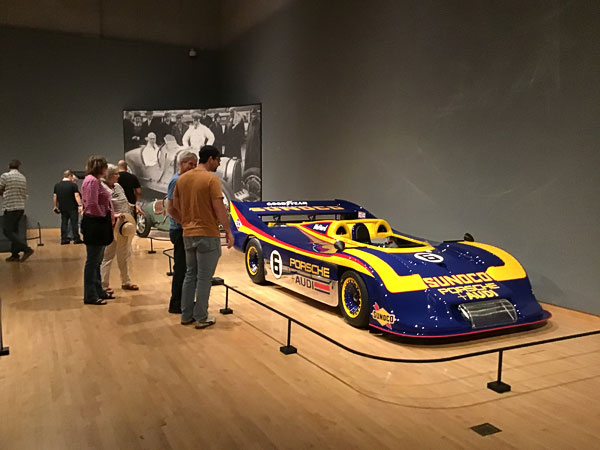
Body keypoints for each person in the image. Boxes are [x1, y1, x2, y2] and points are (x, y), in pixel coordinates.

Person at [170, 145, 233, 328]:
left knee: (190, 274)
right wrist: (228, 231)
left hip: (188, 234)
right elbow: (219, 208)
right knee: (204, 278)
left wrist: (186, 221)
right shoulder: (211, 179)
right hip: (207, 233)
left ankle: (186, 315)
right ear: (211, 159)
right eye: (218, 160)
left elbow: (174, 207)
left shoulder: (182, 179)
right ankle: (201, 317)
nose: (219, 164)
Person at [80, 155, 120, 305]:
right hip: (95, 224)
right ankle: (90, 295)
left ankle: (98, 291)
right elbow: (92, 204)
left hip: (98, 222)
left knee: (97, 261)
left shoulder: (94, 180)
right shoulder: (91, 181)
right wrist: (104, 216)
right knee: (93, 261)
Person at [166, 151, 198, 314]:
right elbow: (171, 208)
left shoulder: (186, 180)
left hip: (185, 228)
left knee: (187, 268)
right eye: (190, 164)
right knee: (181, 268)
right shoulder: (176, 181)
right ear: (182, 163)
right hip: (179, 230)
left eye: (195, 165)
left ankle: (185, 301)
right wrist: (185, 224)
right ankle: (176, 303)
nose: (193, 167)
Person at [100, 164, 139, 292]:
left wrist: (133, 206)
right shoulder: (102, 188)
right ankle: (104, 285)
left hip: (124, 225)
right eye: (115, 174)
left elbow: (124, 202)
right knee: (108, 255)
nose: (118, 176)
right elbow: (102, 208)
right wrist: (115, 215)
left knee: (124, 255)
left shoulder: (117, 186)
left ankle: (126, 282)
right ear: (109, 175)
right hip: (111, 226)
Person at [0, 159, 34, 262]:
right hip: (20, 207)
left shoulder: (5, 176)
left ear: (9, 166)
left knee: (7, 231)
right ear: (19, 167)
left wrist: (3, 193)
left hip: (10, 207)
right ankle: (15, 254)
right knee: (14, 231)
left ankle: (27, 249)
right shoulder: (22, 177)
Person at [53, 170, 83, 244]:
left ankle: (64, 239)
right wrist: (80, 205)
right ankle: (76, 239)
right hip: (72, 207)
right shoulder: (73, 185)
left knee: (64, 223)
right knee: (74, 223)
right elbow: (77, 196)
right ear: (70, 176)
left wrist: (55, 206)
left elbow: (55, 197)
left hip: (62, 207)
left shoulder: (57, 185)